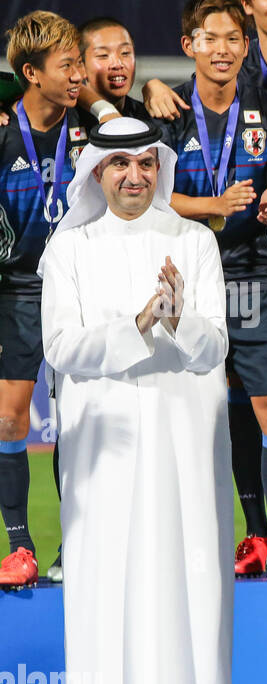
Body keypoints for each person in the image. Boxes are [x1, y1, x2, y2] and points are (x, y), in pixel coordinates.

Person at [40, 116, 233, 684]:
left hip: (183, 437)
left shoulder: (194, 243)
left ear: (160, 169)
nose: (134, 176)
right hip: (105, 442)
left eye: (146, 164)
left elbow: (217, 348)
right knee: (104, 586)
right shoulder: (69, 249)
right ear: (96, 171)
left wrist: (176, 318)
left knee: (187, 581)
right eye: (119, 165)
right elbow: (61, 348)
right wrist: (136, 325)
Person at [165, 0, 267, 577]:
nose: (223, 48)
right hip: (188, 279)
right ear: (189, 45)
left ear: (246, 47)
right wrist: (212, 207)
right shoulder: (170, 112)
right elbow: (147, 196)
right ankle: (243, 537)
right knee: (209, 413)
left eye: (233, 38)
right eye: (211, 38)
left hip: (253, 272)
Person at [0, 12, 86, 590]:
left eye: (79, 63)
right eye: (66, 66)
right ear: (32, 74)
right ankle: (19, 545)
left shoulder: (94, 123)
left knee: (76, 421)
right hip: (16, 288)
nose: (79, 74)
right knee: (10, 417)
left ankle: (77, 546)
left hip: (78, 286)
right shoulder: (4, 130)